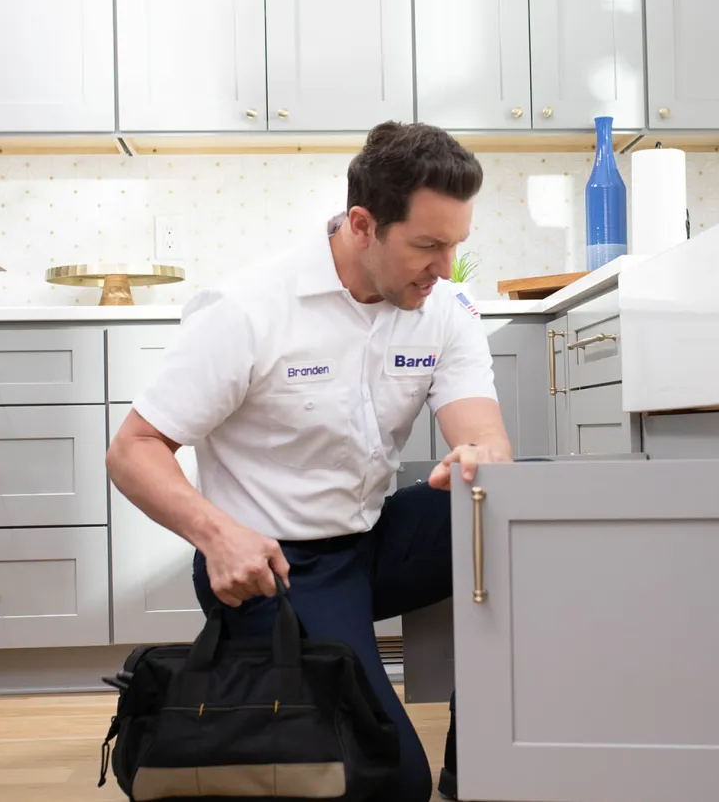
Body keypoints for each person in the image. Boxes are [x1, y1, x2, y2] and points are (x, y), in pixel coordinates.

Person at [105, 121, 513, 802]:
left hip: (371, 539)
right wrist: (217, 536)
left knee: (520, 512)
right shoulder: (250, 309)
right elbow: (133, 450)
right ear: (362, 224)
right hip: (274, 564)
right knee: (389, 781)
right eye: (427, 245)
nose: (444, 268)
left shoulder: (443, 310)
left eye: (455, 245)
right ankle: (263, 655)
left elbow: (483, 434)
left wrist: (478, 455)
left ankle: (487, 752)